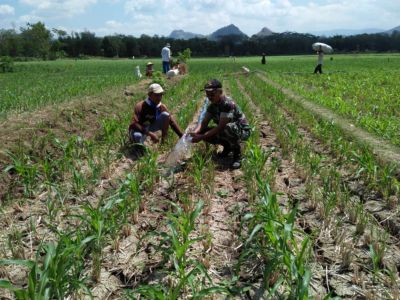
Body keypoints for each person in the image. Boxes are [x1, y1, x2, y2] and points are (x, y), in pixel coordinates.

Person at [189, 79, 251, 169]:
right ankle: (227, 146)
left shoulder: (227, 104)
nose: (209, 96)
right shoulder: (212, 106)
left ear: (220, 92)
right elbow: (204, 123)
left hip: (241, 131)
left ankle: (237, 155)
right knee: (203, 131)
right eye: (207, 94)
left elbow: (220, 126)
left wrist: (201, 137)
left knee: (228, 128)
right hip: (225, 129)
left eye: (212, 93)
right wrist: (195, 133)